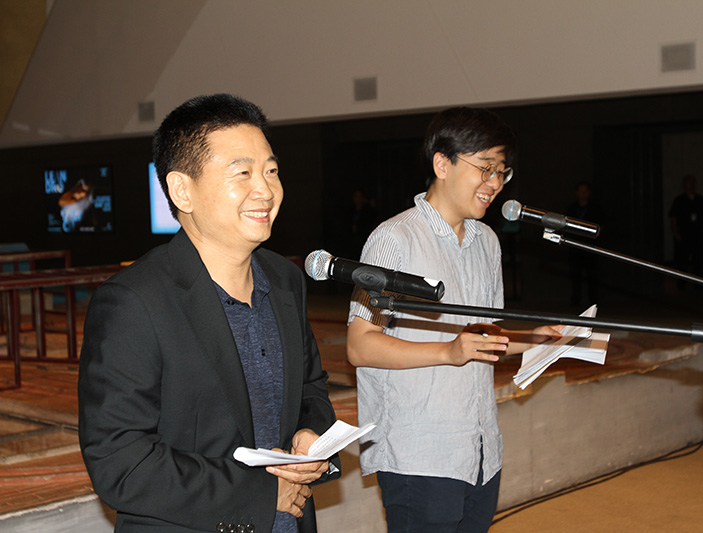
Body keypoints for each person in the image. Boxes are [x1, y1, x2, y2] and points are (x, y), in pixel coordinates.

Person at [78, 94, 340, 533]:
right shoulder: (133, 301)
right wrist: (260, 493)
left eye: (271, 171)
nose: (266, 189)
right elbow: (120, 462)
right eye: (243, 173)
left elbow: (310, 387)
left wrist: (310, 433)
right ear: (183, 190)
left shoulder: (285, 279)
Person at [346, 107, 562, 532]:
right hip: (419, 452)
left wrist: (534, 340)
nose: (495, 184)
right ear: (442, 164)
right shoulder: (394, 239)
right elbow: (360, 344)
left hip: (479, 448)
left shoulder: (487, 242)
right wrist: (448, 350)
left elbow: (482, 339)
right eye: (485, 168)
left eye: (502, 172)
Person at [565, 182, 604, 306]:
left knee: (592, 276)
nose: (582, 194)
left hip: (591, 248)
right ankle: (575, 302)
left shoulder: (595, 209)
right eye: (580, 191)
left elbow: (601, 227)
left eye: (585, 191)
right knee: (576, 276)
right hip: (575, 247)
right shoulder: (572, 208)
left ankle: (594, 303)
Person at [668, 174, 703, 286]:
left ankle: (698, 284)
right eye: (689, 183)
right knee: (682, 261)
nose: (691, 185)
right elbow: (673, 218)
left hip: (697, 234)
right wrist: (676, 233)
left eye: (693, 183)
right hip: (684, 235)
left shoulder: (700, 199)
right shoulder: (679, 200)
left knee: (698, 261)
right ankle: (682, 284)